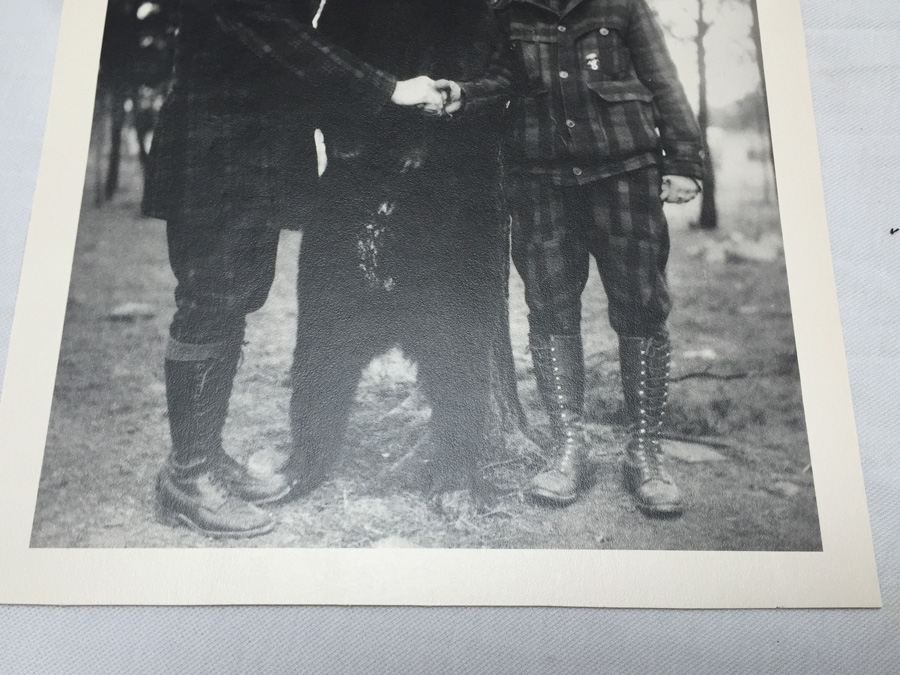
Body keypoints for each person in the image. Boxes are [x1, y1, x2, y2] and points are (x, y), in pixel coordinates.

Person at [142, 0, 448, 538]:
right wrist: (388, 87)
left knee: (235, 300)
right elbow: (279, 32)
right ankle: (186, 476)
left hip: (255, 155)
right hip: (213, 150)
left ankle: (204, 456)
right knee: (207, 304)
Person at [278, 0, 517, 510]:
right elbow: (321, 67)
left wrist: (464, 98)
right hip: (360, 178)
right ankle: (309, 458)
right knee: (326, 334)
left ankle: (458, 465)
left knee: (457, 338)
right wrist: (355, 129)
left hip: (456, 189)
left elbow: (508, 77)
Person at [485, 0, 705, 514]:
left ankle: (644, 454)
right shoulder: (507, 11)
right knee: (549, 306)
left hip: (626, 171)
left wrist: (685, 161)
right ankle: (569, 449)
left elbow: (664, 80)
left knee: (642, 306)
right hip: (540, 180)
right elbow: (495, 84)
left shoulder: (622, 4)